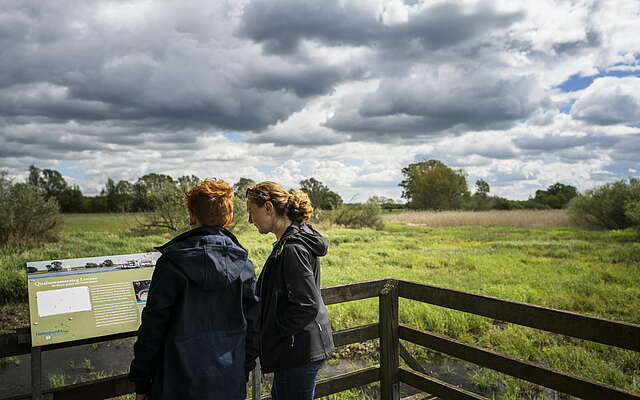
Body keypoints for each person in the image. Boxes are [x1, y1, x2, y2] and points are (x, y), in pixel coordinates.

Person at [129, 179, 258, 400]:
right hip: (228, 380)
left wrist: (141, 379)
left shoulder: (171, 263)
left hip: (176, 383)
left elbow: (153, 327)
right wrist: (242, 369)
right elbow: (254, 326)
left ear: (191, 216)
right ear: (228, 218)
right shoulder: (244, 266)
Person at [246, 181, 335, 400]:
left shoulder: (292, 248)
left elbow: (306, 305)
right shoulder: (293, 240)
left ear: (268, 208)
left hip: (298, 351)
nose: (250, 220)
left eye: (251, 212)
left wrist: (273, 332)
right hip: (300, 348)